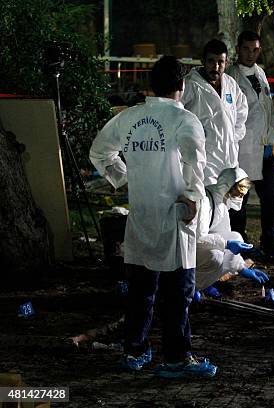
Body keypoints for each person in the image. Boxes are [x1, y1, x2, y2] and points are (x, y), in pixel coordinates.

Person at [90, 56, 216, 378]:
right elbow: (195, 167)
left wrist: (125, 176)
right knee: (177, 293)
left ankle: (135, 351)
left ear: (150, 85)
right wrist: (191, 197)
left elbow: (99, 152)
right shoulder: (184, 121)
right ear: (182, 86)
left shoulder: (129, 118)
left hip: (141, 216)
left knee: (140, 290)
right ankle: (176, 358)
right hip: (174, 219)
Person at [225, 31, 274, 257]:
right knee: (239, 198)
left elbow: (268, 109)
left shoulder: (260, 73)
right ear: (238, 49)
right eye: (246, 49)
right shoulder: (230, 77)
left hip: (264, 150)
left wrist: (271, 138)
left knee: (272, 195)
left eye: (255, 49)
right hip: (242, 151)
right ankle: (237, 242)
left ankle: (270, 240)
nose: (251, 54)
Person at [182, 39, 248, 185]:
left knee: (227, 201)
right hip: (203, 157)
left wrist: (232, 136)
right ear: (203, 61)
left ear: (227, 62)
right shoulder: (190, 85)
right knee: (206, 200)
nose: (216, 66)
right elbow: (177, 114)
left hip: (228, 154)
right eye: (211, 61)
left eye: (221, 62)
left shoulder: (231, 84)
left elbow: (242, 113)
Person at [195, 167, 270, 292]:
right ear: (227, 187)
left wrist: (242, 268)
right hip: (185, 251)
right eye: (238, 194)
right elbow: (198, 239)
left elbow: (224, 234)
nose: (239, 198)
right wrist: (226, 244)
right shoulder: (205, 202)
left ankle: (204, 282)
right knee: (215, 256)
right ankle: (191, 287)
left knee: (235, 237)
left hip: (200, 248)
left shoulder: (220, 202)